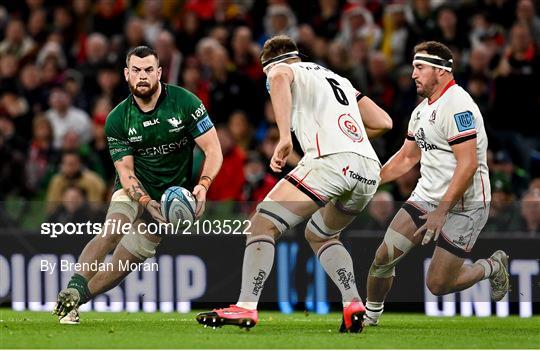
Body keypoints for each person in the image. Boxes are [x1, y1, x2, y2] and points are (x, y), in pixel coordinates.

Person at [197, 35, 392, 333]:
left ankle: (246, 306)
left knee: (261, 224)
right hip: (367, 168)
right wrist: (349, 139)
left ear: (271, 63)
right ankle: (353, 302)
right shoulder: (338, 79)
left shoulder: (284, 70)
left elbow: (277, 78)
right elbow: (384, 122)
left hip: (329, 160)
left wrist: (285, 137)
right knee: (322, 234)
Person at [52, 46, 223, 324]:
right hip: (134, 191)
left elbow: (214, 150)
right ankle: (73, 285)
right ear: (126, 74)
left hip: (169, 199)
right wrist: (145, 202)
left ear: (158, 72)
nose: (142, 76)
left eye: (147, 70)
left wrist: (203, 186)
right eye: (136, 70)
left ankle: (77, 301)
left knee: (121, 266)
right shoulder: (118, 119)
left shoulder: (185, 103)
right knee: (113, 229)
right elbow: (126, 171)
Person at [363, 41, 510, 327]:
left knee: (439, 284)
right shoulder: (420, 111)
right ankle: (369, 319)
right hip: (426, 196)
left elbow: (467, 165)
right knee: (383, 257)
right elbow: (406, 158)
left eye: (420, 68)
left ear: (441, 71)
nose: (413, 74)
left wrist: (442, 211)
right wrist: (368, 182)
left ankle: (491, 266)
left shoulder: (458, 105)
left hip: (466, 204)